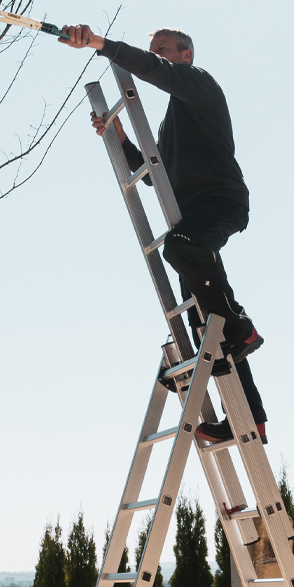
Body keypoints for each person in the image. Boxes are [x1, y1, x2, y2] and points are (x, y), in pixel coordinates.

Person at [59, 23, 267, 443]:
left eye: (164, 50)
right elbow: (160, 179)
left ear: (186, 55)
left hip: (221, 203)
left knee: (185, 254)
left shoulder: (200, 85)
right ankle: (249, 421)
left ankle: (240, 329)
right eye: (154, 49)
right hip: (192, 217)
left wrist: (102, 44)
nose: (157, 55)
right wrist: (120, 137)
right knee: (204, 320)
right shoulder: (172, 125)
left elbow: (158, 72)